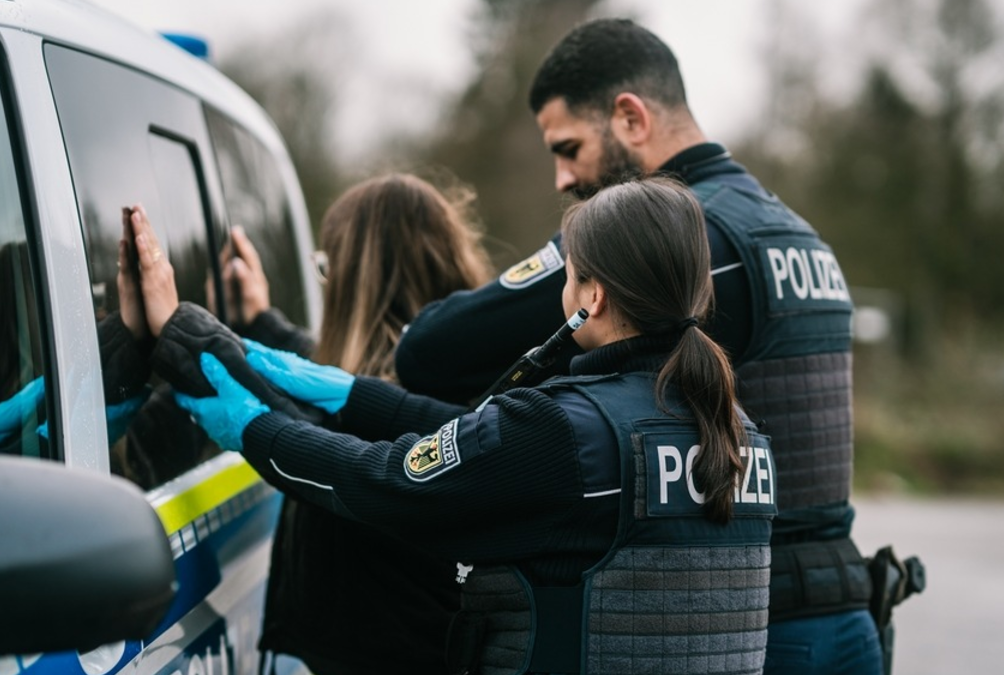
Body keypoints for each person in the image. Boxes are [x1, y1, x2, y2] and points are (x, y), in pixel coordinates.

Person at [393, 18, 878, 674]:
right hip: (846, 615)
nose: (563, 178)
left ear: (630, 118)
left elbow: (431, 350)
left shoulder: (674, 240)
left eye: (569, 148)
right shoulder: (795, 232)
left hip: (761, 632)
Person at [150, 177, 778, 675]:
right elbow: (478, 435)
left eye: (569, 273)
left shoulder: (569, 429)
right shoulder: (735, 430)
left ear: (593, 297)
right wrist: (353, 392)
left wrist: (253, 427)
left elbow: (383, 480)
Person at [216, 173, 495, 675]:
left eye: (327, 268)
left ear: (355, 282)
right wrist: (261, 320)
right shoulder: (476, 384)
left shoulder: (378, 407)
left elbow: (327, 428)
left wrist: (181, 337)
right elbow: (335, 375)